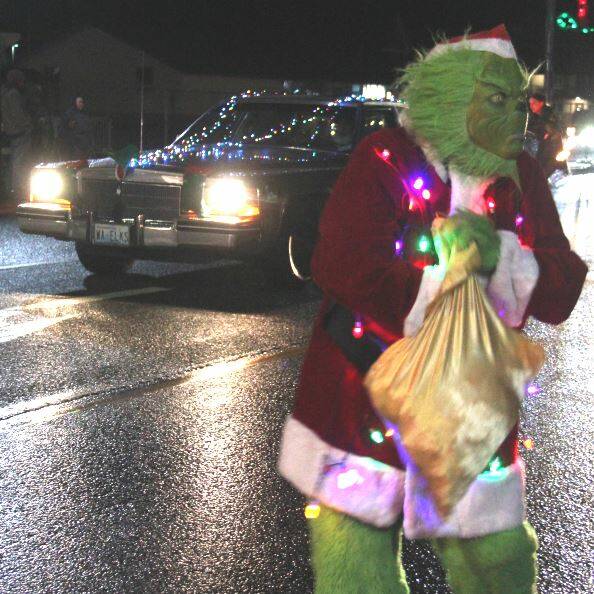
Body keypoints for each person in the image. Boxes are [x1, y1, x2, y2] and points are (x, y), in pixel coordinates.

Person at [277, 25, 587, 594]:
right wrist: (448, 278)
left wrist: (506, 259)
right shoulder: (386, 159)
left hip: (472, 407)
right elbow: (342, 264)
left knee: (496, 560)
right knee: (356, 565)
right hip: (361, 395)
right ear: (451, 96)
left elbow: (562, 287)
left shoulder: (523, 176)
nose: (517, 117)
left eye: (519, 102)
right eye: (498, 101)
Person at [1, 69, 33, 200]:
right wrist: (29, 123)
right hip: (19, 132)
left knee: (13, 163)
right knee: (19, 163)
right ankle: (18, 189)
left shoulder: (4, 93)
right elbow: (18, 114)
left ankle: (11, 188)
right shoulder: (13, 94)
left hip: (9, 132)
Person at [527, 92, 565, 178]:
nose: (531, 105)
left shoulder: (548, 116)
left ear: (541, 103)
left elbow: (554, 131)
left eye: (534, 103)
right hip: (539, 151)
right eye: (530, 103)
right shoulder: (534, 117)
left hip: (550, 153)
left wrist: (547, 134)